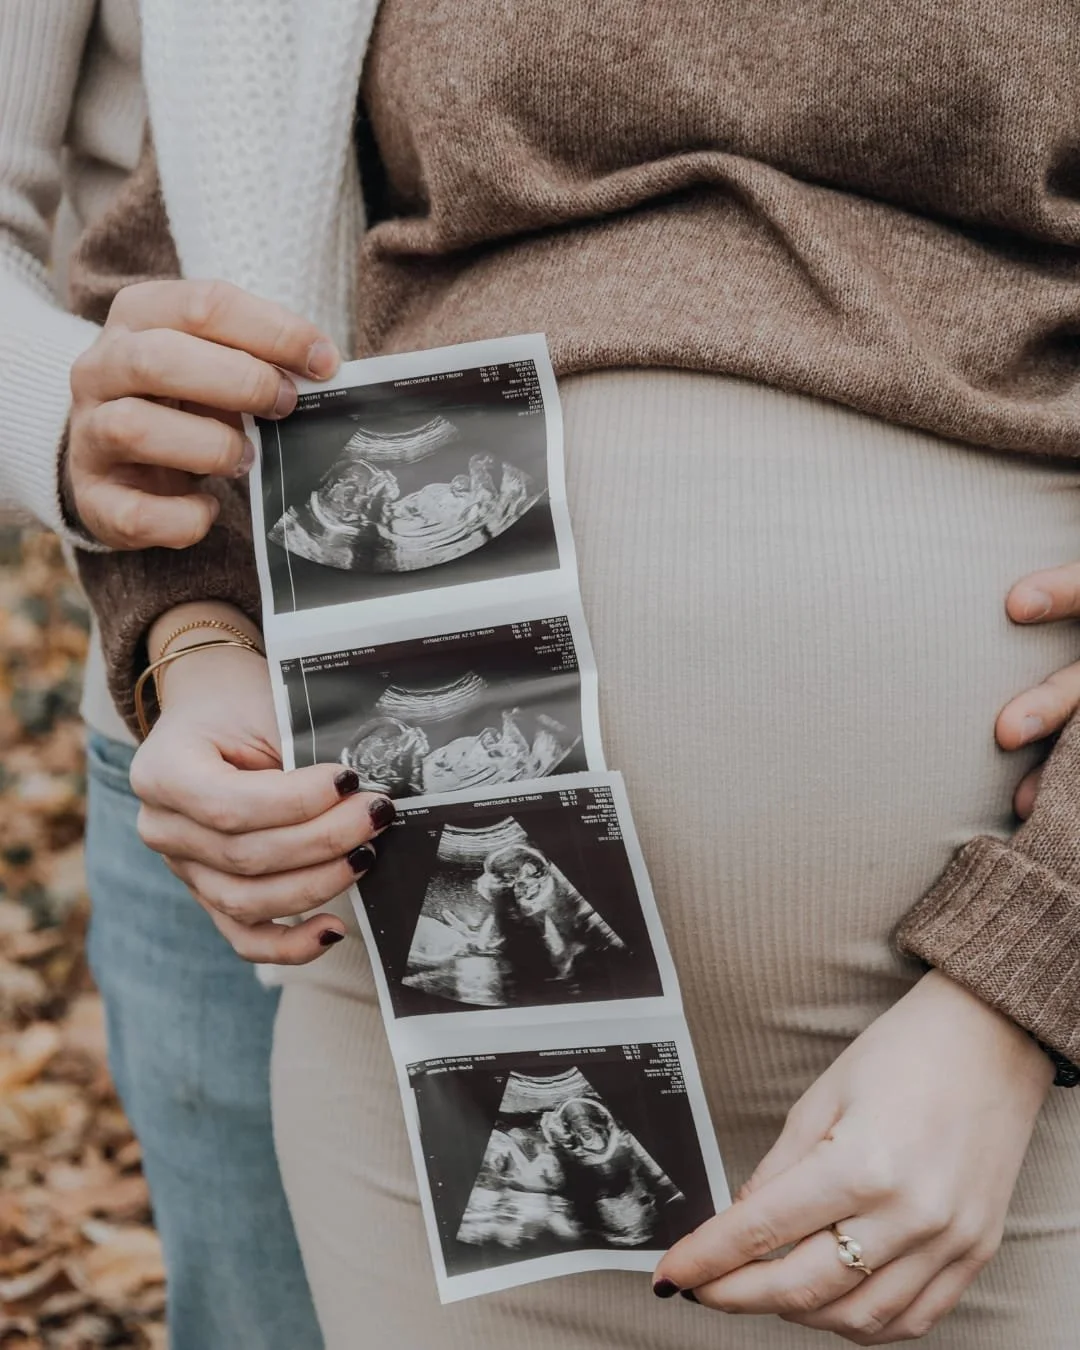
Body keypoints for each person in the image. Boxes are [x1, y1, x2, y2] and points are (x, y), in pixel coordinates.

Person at [5, 2, 1080, 1347]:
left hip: (1003, 1088)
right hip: (445, 1049)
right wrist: (201, 640)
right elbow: (185, 293)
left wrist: (1025, 986)